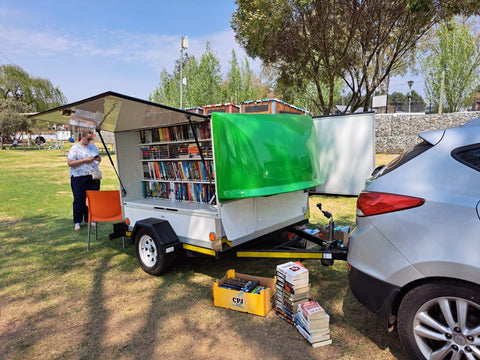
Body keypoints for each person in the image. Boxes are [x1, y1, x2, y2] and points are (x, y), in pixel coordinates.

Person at [67, 129, 102, 231]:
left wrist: (98, 159)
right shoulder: (75, 148)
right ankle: (77, 221)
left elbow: (99, 158)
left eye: (91, 139)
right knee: (79, 199)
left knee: (92, 199)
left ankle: (90, 219)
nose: (89, 141)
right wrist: (84, 160)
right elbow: (70, 163)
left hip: (92, 175)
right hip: (78, 177)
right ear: (82, 136)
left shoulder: (93, 146)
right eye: (88, 139)